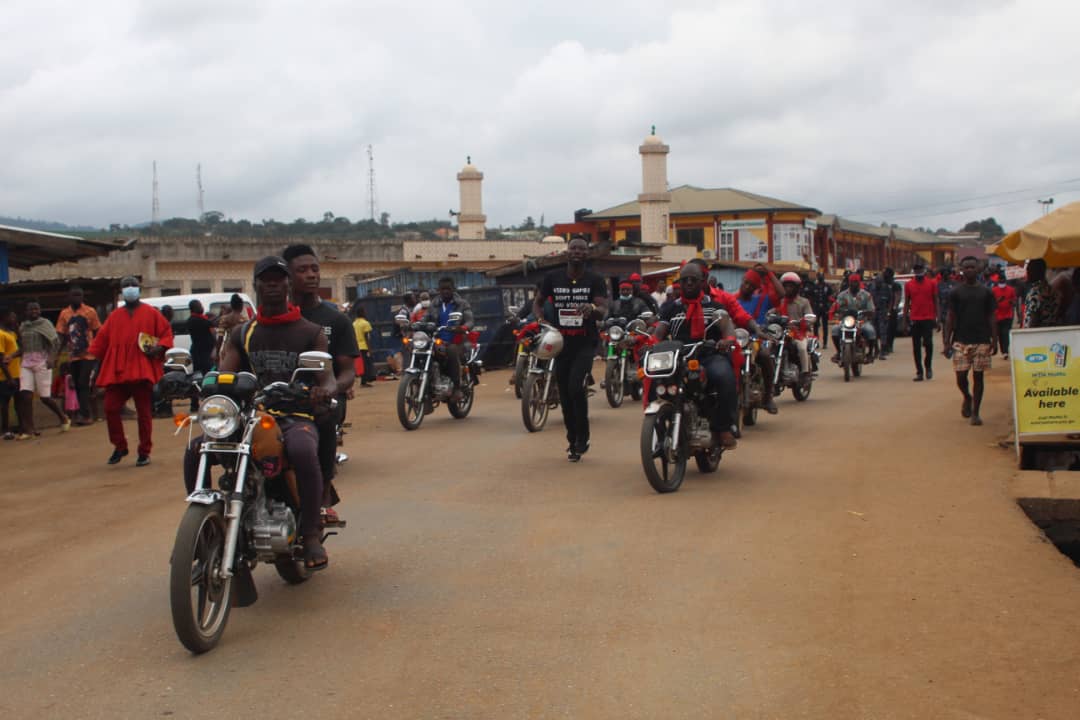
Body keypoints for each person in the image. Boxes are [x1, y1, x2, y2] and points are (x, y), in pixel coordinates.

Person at [187, 255, 335, 571]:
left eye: (279, 278)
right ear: (255, 285)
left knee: (302, 450)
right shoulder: (243, 333)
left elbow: (328, 377)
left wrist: (322, 391)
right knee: (196, 447)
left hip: (295, 416)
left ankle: (310, 533)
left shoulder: (311, 332)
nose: (272, 283)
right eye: (265, 278)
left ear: (287, 284)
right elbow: (225, 375)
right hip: (249, 415)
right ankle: (202, 529)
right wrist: (203, 385)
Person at [283, 244, 359, 516]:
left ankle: (324, 490)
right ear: (288, 277)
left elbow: (348, 371)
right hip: (279, 397)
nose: (311, 275)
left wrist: (331, 389)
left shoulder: (336, 320)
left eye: (315, 268)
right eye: (302, 270)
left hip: (321, 398)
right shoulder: (273, 317)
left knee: (324, 416)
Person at [653, 262, 761, 450]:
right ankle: (662, 422)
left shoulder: (714, 306)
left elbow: (727, 326)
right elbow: (659, 332)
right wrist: (650, 344)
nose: (688, 283)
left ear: (702, 282)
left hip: (710, 355)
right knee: (658, 381)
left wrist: (727, 339)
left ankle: (723, 428)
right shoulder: (670, 308)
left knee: (725, 377)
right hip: (679, 358)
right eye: (684, 280)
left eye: (693, 280)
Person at [535, 236, 608, 461]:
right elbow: (537, 302)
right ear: (567, 252)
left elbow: (603, 308)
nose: (577, 251)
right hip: (560, 342)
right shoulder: (552, 278)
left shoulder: (594, 279)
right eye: (573, 248)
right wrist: (541, 320)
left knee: (576, 387)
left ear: (587, 254)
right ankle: (572, 440)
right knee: (565, 393)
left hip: (585, 342)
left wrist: (592, 308)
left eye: (582, 249)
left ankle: (583, 436)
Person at [89, 276, 173, 466]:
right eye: (126, 286)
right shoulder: (114, 316)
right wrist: (95, 369)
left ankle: (144, 451)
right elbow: (100, 345)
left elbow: (166, 334)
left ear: (139, 289)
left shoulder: (151, 313)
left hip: (141, 371)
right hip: (118, 372)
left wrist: (159, 348)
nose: (130, 288)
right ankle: (120, 446)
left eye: (133, 285)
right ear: (121, 291)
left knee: (144, 413)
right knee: (110, 408)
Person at [943, 257, 998, 427]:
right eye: (966, 267)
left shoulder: (986, 292)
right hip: (960, 340)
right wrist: (946, 341)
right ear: (961, 270)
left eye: (972, 267)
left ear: (978, 269)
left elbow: (992, 316)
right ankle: (967, 397)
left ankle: (976, 412)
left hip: (982, 339)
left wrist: (994, 340)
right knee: (960, 376)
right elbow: (950, 317)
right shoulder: (955, 293)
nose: (969, 270)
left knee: (979, 376)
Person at [12, 300, 70, 439]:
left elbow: (55, 343)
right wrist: (11, 356)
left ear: (40, 311)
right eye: (31, 310)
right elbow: (22, 347)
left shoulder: (45, 324)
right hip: (26, 362)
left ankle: (63, 417)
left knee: (44, 397)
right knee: (25, 395)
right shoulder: (23, 327)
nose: (34, 312)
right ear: (26, 312)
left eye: (36, 309)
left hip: (42, 362)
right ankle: (29, 429)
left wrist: (51, 358)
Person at [54, 285, 102, 426]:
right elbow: (61, 335)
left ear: (82, 297)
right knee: (77, 385)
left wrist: (100, 350)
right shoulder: (64, 314)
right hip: (72, 356)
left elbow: (98, 331)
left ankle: (85, 415)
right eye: (74, 295)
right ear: (69, 297)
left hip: (89, 355)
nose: (76, 298)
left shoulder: (90, 311)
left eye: (79, 295)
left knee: (83, 383)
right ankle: (82, 414)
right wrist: (56, 355)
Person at [735, 267, 780, 414]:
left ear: (756, 288)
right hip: (736, 341)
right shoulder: (732, 299)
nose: (747, 287)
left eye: (751, 285)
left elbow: (781, 294)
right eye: (745, 283)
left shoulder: (762, 299)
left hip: (755, 340)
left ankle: (768, 397)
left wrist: (769, 273)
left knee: (766, 357)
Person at [424, 276, 474, 402]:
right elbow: (425, 318)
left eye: (448, 288)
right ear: (438, 290)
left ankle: (457, 388)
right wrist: (415, 324)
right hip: (437, 340)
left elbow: (470, 321)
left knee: (451, 351)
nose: (445, 291)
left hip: (457, 340)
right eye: (442, 289)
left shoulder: (462, 304)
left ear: (453, 289)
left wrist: (462, 327)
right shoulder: (434, 304)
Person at [904, 261, 938, 381]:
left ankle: (928, 366)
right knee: (916, 346)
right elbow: (907, 303)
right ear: (914, 271)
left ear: (924, 270)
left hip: (928, 317)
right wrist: (905, 319)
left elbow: (935, 300)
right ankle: (919, 372)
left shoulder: (931, 283)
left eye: (920, 270)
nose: (919, 272)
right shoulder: (909, 285)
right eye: (916, 270)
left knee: (928, 344)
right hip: (915, 318)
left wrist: (937, 317)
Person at [831, 273, 878, 360]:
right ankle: (839, 352)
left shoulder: (866, 295)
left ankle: (870, 353)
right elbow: (836, 305)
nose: (854, 284)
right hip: (846, 321)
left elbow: (871, 309)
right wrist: (836, 310)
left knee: (870, 331)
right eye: (852, 282)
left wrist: (867, 312)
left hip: (861, 321)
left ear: (859, 282)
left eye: (856, 282)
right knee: (835, 330)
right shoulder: (842, 295)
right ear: (849, 283)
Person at [777, 272, 814, 380]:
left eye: (791, 286)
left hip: (799, 332)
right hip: (782, 332)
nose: (788, 288)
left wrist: (806, 321)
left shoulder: (803, 302)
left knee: (802, 348)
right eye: (786, 286)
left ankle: (805, 372)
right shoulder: (780, 301)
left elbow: (810, 315)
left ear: (797, 287)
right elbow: (772, 311)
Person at [0, 307, 22, 439]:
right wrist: (9, 378)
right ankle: (6, 430)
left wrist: (18, 329)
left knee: (18, 402)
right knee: (5, 403)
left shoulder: (11, 333)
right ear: (4, 317)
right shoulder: (1, 334)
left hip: (16, 374)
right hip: (5, 376)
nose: (14, 319)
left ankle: (22, 427)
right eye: (12, 317)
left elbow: (21, 349)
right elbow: (0, 359)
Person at [1024, 259, 1060, 328]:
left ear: (1036, 272)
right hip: (1053, 333)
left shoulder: (1035, 293)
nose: (1027, 272)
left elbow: (1032, 321)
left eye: (1029, 269)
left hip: (1037, 335)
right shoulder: (1054, 291)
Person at [870, 269, 898, 359]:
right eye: (876, 282)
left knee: (883, 332)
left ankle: (882, 350)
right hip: (873, 312)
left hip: (883, 312)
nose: (878, 284)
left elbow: (890, 301)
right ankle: (875, 349)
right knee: (873, 332)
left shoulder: (886, 288)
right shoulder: (871, 288)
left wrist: (888, 311)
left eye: (879, 282)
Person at [991, 273, 1018, 358]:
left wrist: (1012, 302)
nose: (1002, 281)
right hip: (997, 316)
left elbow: (1015, 301)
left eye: (1003, 280)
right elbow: (991, 303)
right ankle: (1003, 350)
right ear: (998, 280)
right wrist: (998, 301)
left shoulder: (1011, 289)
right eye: (1000, 280)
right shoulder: (993, 290)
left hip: (1008, 315)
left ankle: (1005, 351)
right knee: (1000, 334)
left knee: (1005, 333)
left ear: (1005, 280)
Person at [807, 272, 833, 348]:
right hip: (816, 308)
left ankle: (825, 343)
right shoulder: (814, 287)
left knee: (825, 326)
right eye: (819, 276)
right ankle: (816, 342)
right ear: (817, 278)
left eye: (822, 276)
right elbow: (810, 296)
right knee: (815, 326)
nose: (820, 278)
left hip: (825, 308)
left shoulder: (827, 286)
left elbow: (831, 296)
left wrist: (829, 305)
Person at [352, 306, 375, 387]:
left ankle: (363, 380)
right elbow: (367, 337)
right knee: (366, 365)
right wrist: (370, 349)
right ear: (362, 313)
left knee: (361, 365)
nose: (365, 313)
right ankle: (364, 382)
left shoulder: (354, 324)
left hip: (357, 347)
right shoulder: (365, 323)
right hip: (364, 347)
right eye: (364, 311)